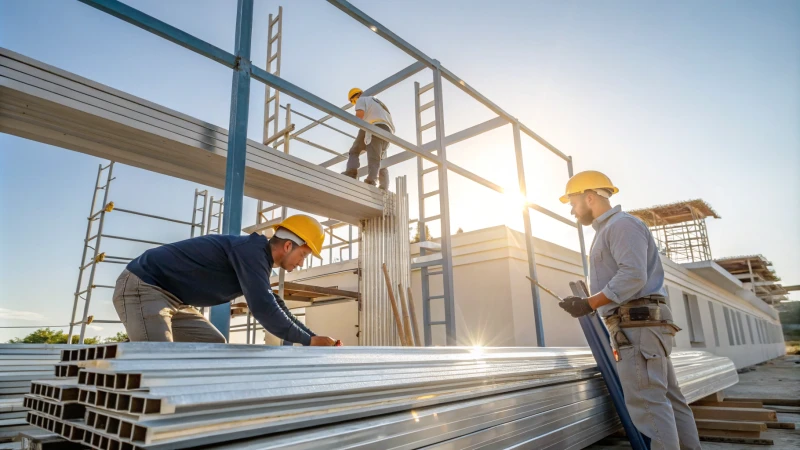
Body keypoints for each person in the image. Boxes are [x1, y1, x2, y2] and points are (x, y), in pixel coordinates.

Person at [557, 171, 701, 450]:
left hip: (638, 327)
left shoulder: (621, 226)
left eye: (573, 203)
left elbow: (632, 275)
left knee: (648, 405)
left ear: (589, 197)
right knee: (668, 400)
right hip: (642, 326)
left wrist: (589, 303)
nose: (572, 211)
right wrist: (591, 301)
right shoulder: (611, 230)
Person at [112, 214, 339, 346]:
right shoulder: (251, 253)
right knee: (156, 360)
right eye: (304, 255)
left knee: (213, 346)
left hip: (176, 301)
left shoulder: (257, 259)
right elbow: (263, 308)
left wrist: (312, 336)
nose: (301, 263)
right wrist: (309, 342)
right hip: (144, 285)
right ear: (289, 246)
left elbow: (275, 304)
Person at [341, 87, 395, 190]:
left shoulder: (361, 99)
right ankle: (384, 185)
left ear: (354, 98)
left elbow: (359, 117)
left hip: (374, 127)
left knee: (357, 151)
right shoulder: (377, 102)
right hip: (388, 131)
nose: (355, 104)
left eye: (353, 102)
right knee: (380, 156)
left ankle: (361, 177)